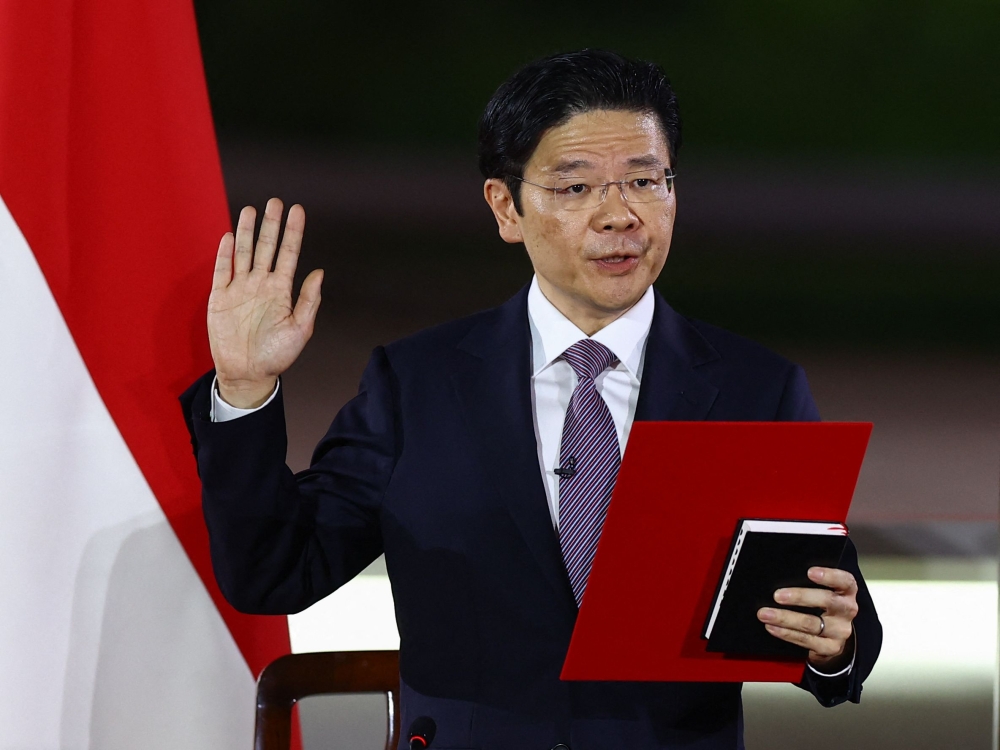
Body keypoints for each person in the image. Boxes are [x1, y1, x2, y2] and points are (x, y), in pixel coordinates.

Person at [182, 49, 881, 749]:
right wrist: (245, 389)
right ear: (506, 207)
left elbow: (837, 628)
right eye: (576, 189)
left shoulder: (755, 387)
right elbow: (273, 573)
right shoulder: (417, 383)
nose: (619, 215)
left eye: (645, 180)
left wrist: (831, 643)